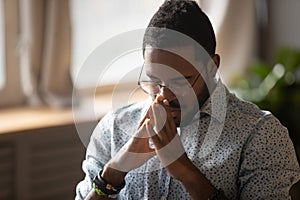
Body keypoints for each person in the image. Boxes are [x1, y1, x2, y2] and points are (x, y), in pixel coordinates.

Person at [75, 1, 300, 199]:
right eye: (153, 80)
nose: (163, 95)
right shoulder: (113, 128)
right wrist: (115, 171)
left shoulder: (261, 135)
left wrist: (183, 169)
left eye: (180, 81)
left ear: (212, 66)